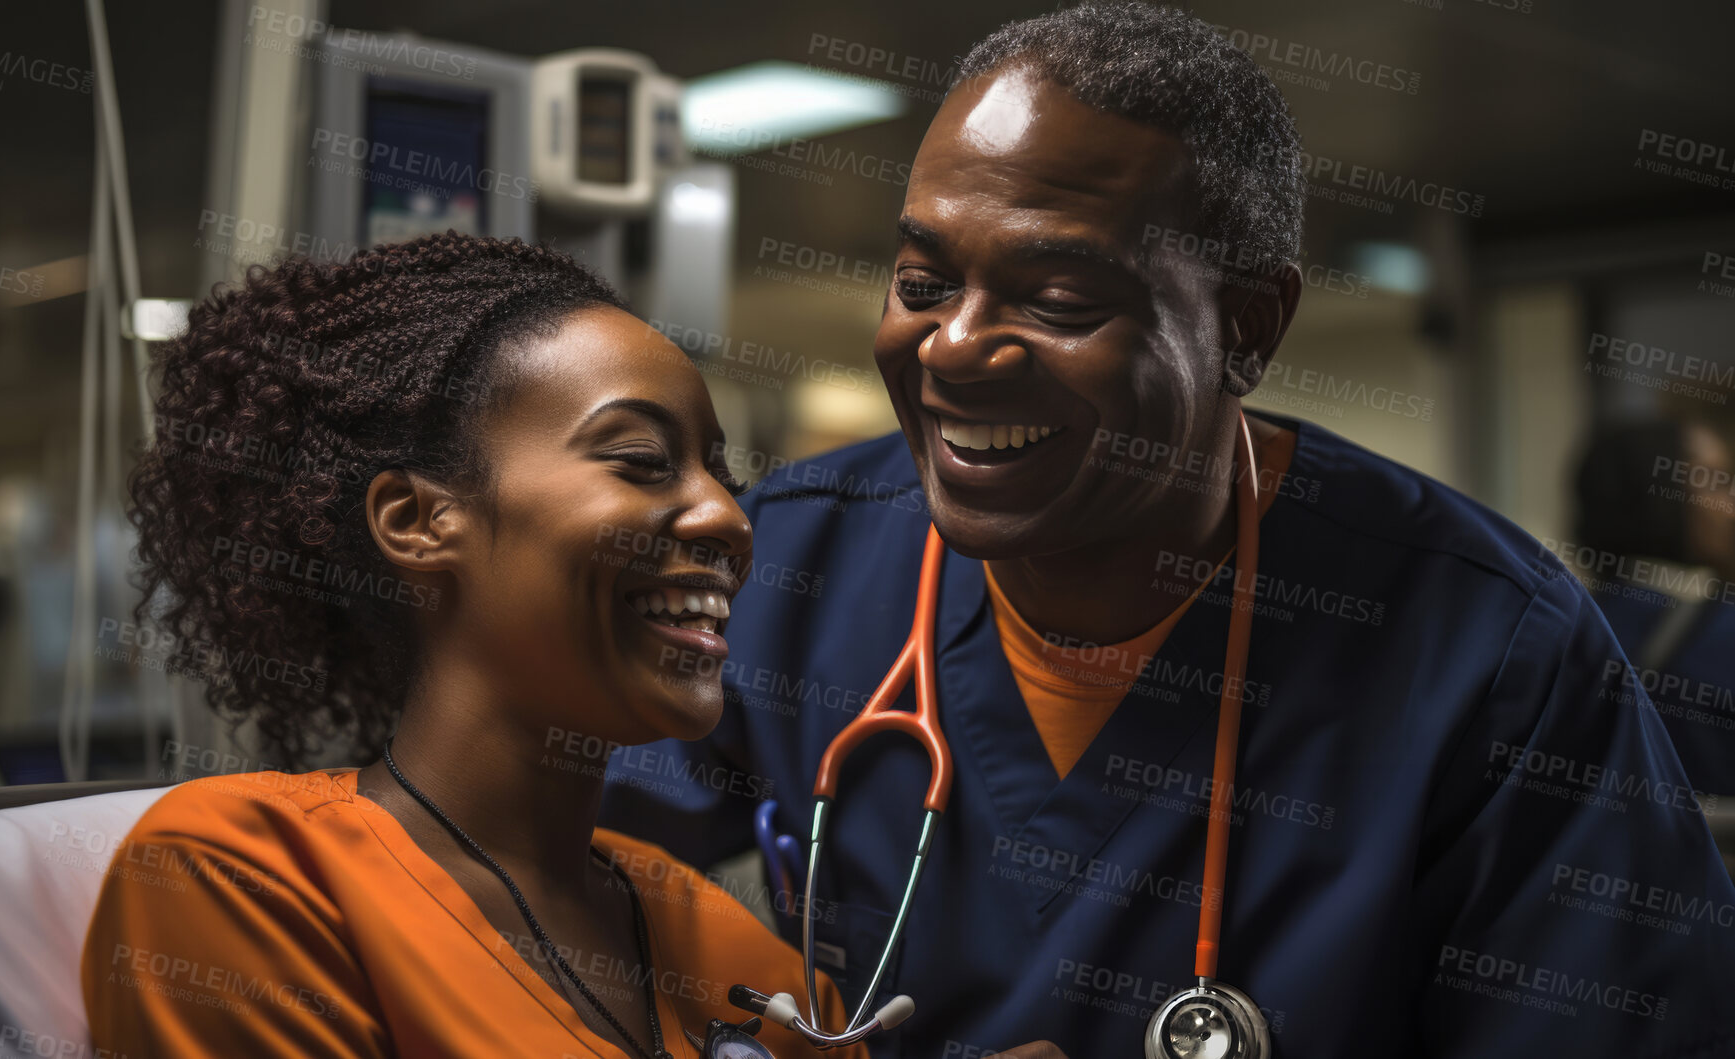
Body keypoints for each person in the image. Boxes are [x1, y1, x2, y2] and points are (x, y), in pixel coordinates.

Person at [601, 4, 1735, 1056]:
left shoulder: (1493, 655)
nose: (952, 348)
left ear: (1244, 327)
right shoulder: (787, 563)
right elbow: (557, 904)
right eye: (921, 281)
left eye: (1055, 301)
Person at [80, 233, 868, 1058]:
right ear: (418, 522)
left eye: (723, 478)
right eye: (642, 461)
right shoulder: (247, 880)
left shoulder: (735, 955)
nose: (730, 521)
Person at [1574, 419, 1735, 795]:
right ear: (1659, 497)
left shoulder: (1561, 625)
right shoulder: (1721, 634)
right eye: (1716, 480)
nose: (1730, 508)